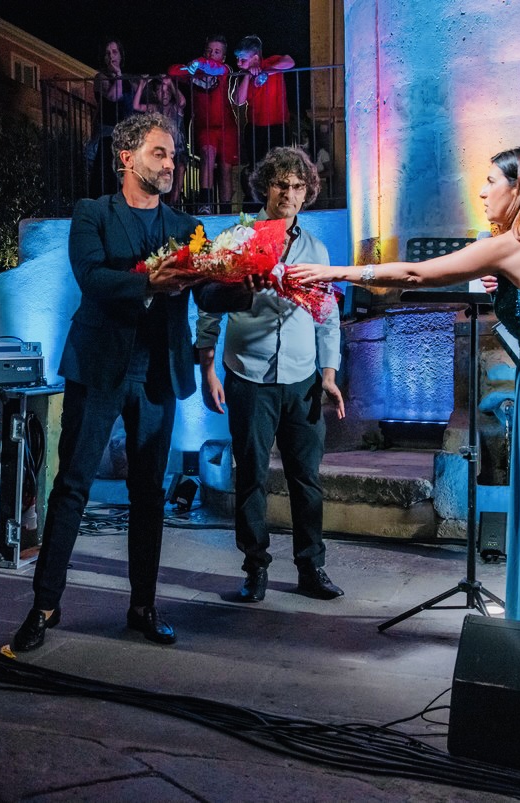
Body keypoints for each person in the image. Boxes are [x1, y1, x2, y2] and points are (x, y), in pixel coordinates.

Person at [290, 146, 520, 640]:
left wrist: (336, 272)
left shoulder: (511, 243)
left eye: (492, 181)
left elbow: (417, 274)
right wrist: (505, 289)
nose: (483, 191)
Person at [10, 112, 253, 653]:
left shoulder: (185, 226)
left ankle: (143, 606)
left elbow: (208, 293)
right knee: (72, 486)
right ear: (127, 157)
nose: (171, 164)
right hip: (98, 369)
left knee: (149, 494)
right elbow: (92, 278)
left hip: (158, 375)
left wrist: (247, 284)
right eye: (159, 153)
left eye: (173, 156)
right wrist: (148, 282)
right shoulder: (92, 213)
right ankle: (44, 606)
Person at [195, 147, 346, 603]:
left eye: (298, 186)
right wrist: (208, 369)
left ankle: (311, 567)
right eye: (281, 184)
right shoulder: (238, 237)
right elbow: (208, 308)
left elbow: (327, 317)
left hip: (302, 379)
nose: (289, 194)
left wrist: (329, 373)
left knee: (307, 479)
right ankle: (255, 568)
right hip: (248, 374)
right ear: (266, 186)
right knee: (251, 477)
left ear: (307, 192)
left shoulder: (315, 248)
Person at [170, 35, 239, 214]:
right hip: (205, 125)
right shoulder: (195, 71)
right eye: (209, 50)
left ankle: (226, 210)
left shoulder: (225, 69)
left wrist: (199, 64)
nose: (211, 54)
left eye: (216, 52)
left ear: (223, 56)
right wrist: (192, 67)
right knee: (207, 157)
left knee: (225, 168)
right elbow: (173, 71)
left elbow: (216, 69)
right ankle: (205, 204)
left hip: (226, 126)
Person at [232, 36, 295, 210]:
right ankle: (258, 203)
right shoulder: (244, 74)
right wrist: (248, 76)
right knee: (256, 167)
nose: (238, 63)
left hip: (277, 125)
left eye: (243, 59)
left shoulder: (271, 62)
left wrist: (266, 71)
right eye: (237, 59)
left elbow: (290, 62)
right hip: (255, 127)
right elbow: (238, 100)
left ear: (255, 57)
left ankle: (279, 203)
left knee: (279, 166)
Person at [89, 38, 135, 196]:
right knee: (106, 176)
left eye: (114, 52)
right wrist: (118, 76)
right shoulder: (100, 77)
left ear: (120, 55)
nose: (111, 56)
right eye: (107, 53)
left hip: (124, 133)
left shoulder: (127, 80)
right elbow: (114, 96)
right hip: (107, 133)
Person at [133, 75, 188, 204]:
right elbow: (136, 106)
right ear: (155, 93)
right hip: (160, 150)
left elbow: (182, 102)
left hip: (178, 150)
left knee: (179, 168)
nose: (164, 94)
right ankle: (159, 202)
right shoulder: (153, 108)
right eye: (160, 91)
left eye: (167, 91)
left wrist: (171, 84)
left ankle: (173, 204)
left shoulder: (175, 107)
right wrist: (142, 84)